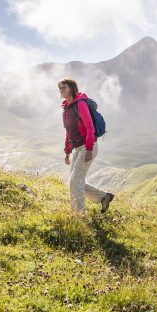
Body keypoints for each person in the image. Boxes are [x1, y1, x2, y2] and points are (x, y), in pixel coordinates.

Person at [58, 78, 114, 216]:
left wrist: (89, 148)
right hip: (77, 148)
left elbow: (89, 127)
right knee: (74, 181)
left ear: (71, 88)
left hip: (88, 146)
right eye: (60, 88)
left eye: (64, 87)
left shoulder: (80, 104)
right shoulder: (66, 108)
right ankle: (103, 197)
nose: (61, 90)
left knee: (74, 181)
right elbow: (69, 131)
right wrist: (67, 152)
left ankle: (79, 215)